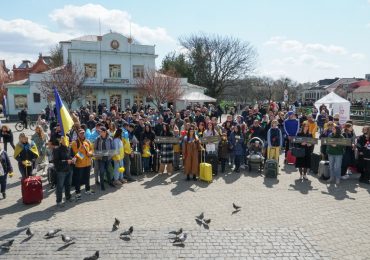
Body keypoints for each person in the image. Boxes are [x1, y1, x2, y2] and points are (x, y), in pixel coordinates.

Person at [71, 129, 94, 199]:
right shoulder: (75, 143)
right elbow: (76, 153)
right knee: (78, 179)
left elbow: (92, 149)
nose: (82, 134)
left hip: (88, 163)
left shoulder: (87, 141)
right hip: (80, 164)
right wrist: (82, 149)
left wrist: (89, 154)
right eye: (81, 133)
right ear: (78, 134)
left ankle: (87, 189)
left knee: (87, 177)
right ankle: (77, 192)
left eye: (83, 133)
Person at [53, 136, 74, 207]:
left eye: (67, 140)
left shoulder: (69, 148)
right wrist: (66, 162)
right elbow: (56, 161)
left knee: (68, 185)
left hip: (69, 169)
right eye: (64, 140)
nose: (66, 141)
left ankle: (68, 197)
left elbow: (70, 156)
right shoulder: (57, 149)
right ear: (61, 141)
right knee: (60, 186)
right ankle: (59, 201)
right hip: (61, 171)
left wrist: (73, 159)